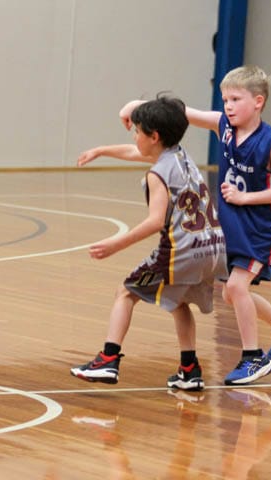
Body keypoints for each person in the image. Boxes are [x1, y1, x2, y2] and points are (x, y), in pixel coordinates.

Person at [120, 65, 271, 386]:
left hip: (262, 226)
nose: (229, 106)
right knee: (232, 293)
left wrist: (245, 197)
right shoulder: (222, 125)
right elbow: (180, 111)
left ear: (258, 102)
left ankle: (252, 358)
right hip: (231, 221)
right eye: (225, 100)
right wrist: (134, 106)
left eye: (236, 99)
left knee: (236, 288)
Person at [70, 95, 227, 391]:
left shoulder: (158, 174)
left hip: (182, 251)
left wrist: (116, 244)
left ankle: (108, 359)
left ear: (154, 136)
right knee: (178, 302)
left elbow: (156, 221)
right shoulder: (180, 156)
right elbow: (134, 151)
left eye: (137, 131)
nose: (133, 136)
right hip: (213, 248)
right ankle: (189, 370)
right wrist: (101, 150)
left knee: (126, 292)